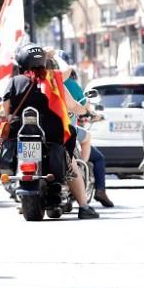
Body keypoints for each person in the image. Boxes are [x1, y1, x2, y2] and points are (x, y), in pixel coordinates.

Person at [0, 43, 99, 219]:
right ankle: (84, 207)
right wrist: (53, 55)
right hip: (53, 135)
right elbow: (69, 80)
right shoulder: (53, 79)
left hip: (19, 135)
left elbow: (5, 113)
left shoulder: (14, 82)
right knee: (70, 163)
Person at [55, 50, 113, 208]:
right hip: (65, 131)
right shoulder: (66, 84)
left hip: (43, 132)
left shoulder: (34, 82)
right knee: (95, 154)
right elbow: (81, 107)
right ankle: (82, 173)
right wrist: (92, 114)